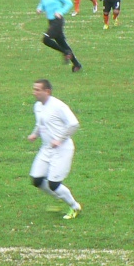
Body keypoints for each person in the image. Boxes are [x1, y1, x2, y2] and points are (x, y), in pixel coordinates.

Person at [27, 79, 82, 220]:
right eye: (34, 89)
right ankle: (60, 196)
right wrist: (35, 134)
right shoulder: (38, 106)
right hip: (46, 148)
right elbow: (40, 123)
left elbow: (74, 124)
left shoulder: (59, 106)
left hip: (62, 149)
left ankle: (75, 207)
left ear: (47, 91)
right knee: (37, 180)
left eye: (37, 90)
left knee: (54, 183)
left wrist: (60, 139)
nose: (34, 92)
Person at [37, 0, 82, 73]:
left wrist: (61, 12)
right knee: (62, 43)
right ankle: (77, 64)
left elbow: (69, 3)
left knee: (46, 39)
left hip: (57, 21)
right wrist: (39, 9)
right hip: (51, 22)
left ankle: (65, 52)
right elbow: (42, 5)